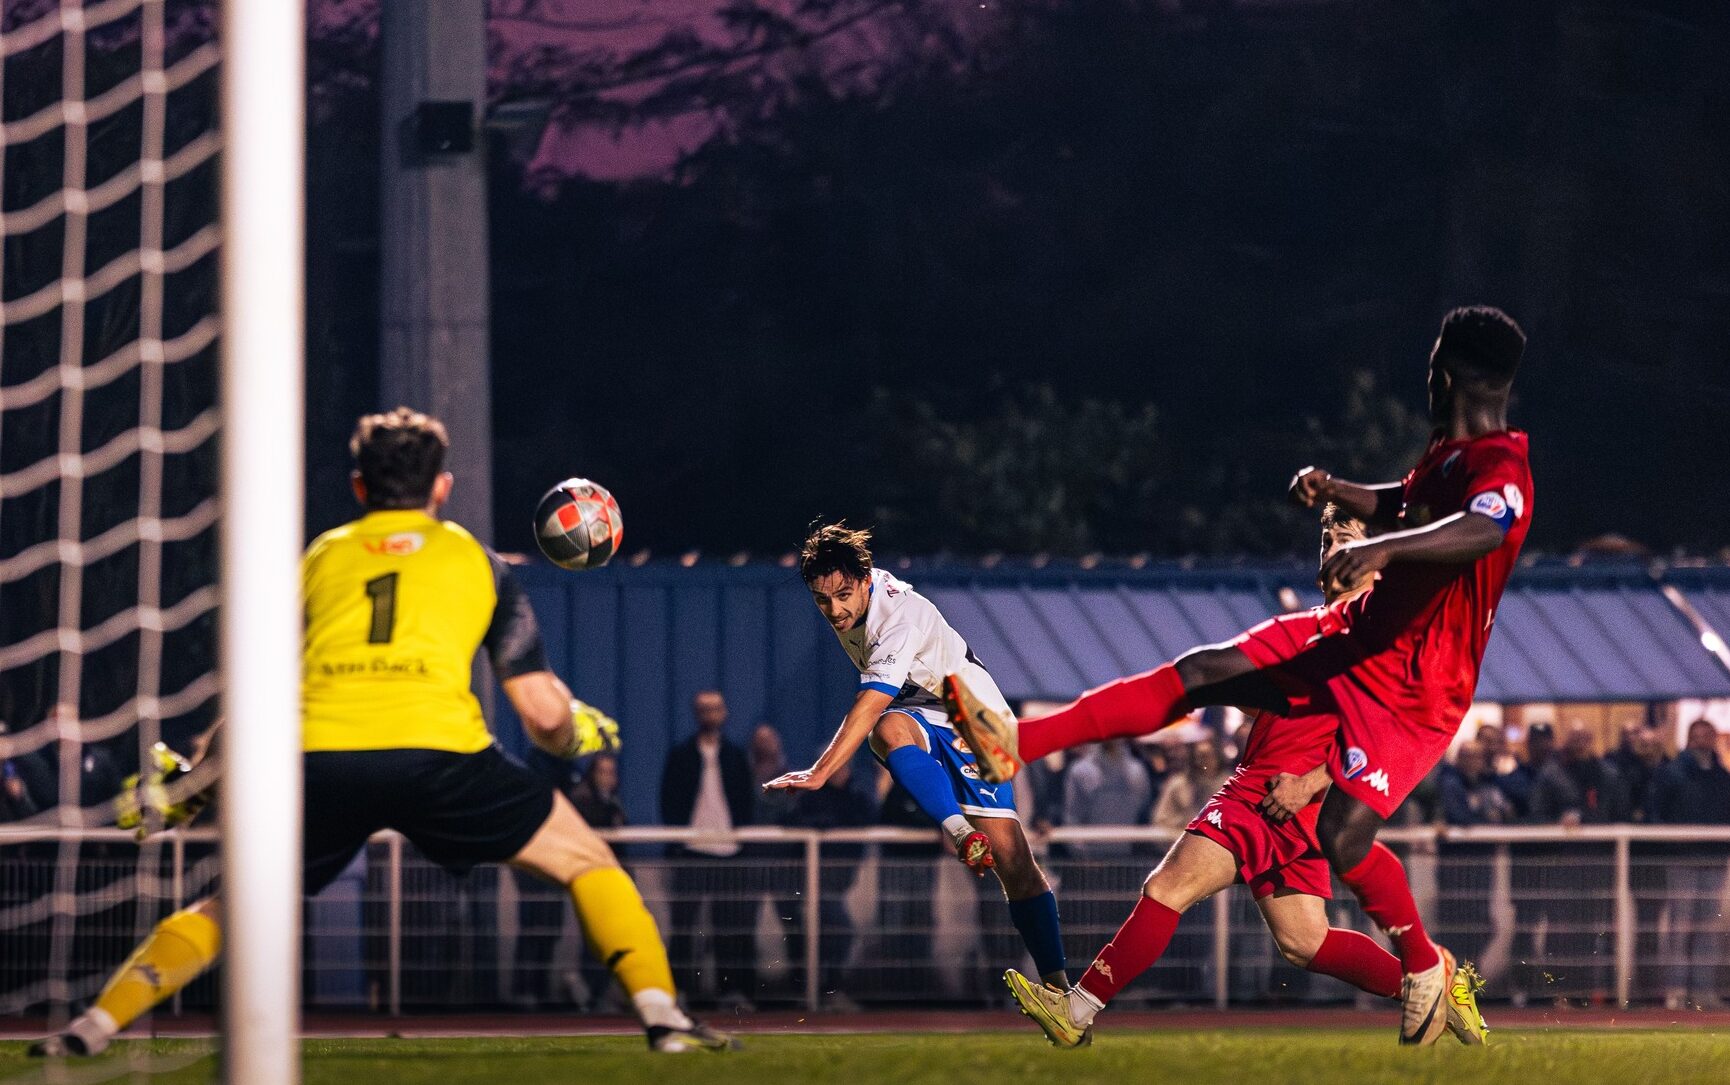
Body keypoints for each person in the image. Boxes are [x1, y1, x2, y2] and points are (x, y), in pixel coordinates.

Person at [32, 407, 733, 1056]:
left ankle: (93, 1026)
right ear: (444, 486)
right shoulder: (475, 560)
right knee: (588, 861)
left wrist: (193, 781)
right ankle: (662, 1015)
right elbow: (543, 718)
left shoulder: (319, 558)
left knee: (234, 902)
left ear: (360, 486)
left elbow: (260, 698)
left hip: (319, 757)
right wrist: (576, 732)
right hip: (440, 756)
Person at [946, 306, 1530, 1045]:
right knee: (1299, 928)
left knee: (1275, 859)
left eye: (1432, 362)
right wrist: (1339, 492)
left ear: (1448, 372)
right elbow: (1405, 502)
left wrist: (1383, 552)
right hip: (1358, 645)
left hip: (1405, 683)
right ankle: (1016, 743)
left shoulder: (1502, 468)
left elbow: (1488, 525)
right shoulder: (1444, 455)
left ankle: (1425, 965)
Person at [999, 507, 1487, 1047]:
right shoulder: (1320, 629)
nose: (1329, 552)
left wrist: (1312, 780)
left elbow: (1395, 740)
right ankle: (1433, 984)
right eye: (1326, 540)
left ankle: (1078, 1010)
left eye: (1344, 540)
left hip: (1271, 795)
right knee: (1305, 941)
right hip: (1284, 799)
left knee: (1167, 886)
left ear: (1379, 560)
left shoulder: (1382, 639)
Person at [764, 524, 1072, 993]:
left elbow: (869, 700)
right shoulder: (852, 596)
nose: (835, 610)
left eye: (844, 595)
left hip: (975, 714)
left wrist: (820, 772)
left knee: (1016, 865)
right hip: (924, 708)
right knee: (888, 730)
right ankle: (960, 832)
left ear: (866, 581)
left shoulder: (898, 617)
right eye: (822, 601)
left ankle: (1059, 989)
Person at [659, 691, 758, 1010]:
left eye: (715, 708)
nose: (710, 714)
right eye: (704, 709)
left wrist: (739, 840)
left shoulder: (734, 755)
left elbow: (745, 800)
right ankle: (680, 992)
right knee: (684, 928)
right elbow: (668, 800)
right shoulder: (682, 754)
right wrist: (676, 842)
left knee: (729, 927)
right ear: (696, 713)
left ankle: (730, 992)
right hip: (691, 850)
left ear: (724, 712)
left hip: (729, 851)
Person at [1647, 718, 1730, 1010]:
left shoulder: (1722, 776)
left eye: (1708, 735)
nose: (1703, 740)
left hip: (1714, 859)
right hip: (1682, 859)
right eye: (1697, 735)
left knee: (1707, 927)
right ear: (1689, 739)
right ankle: (1676, 989)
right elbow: (1657, 812)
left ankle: (1704, 990)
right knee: (1680, 926)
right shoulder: (1673, 774)